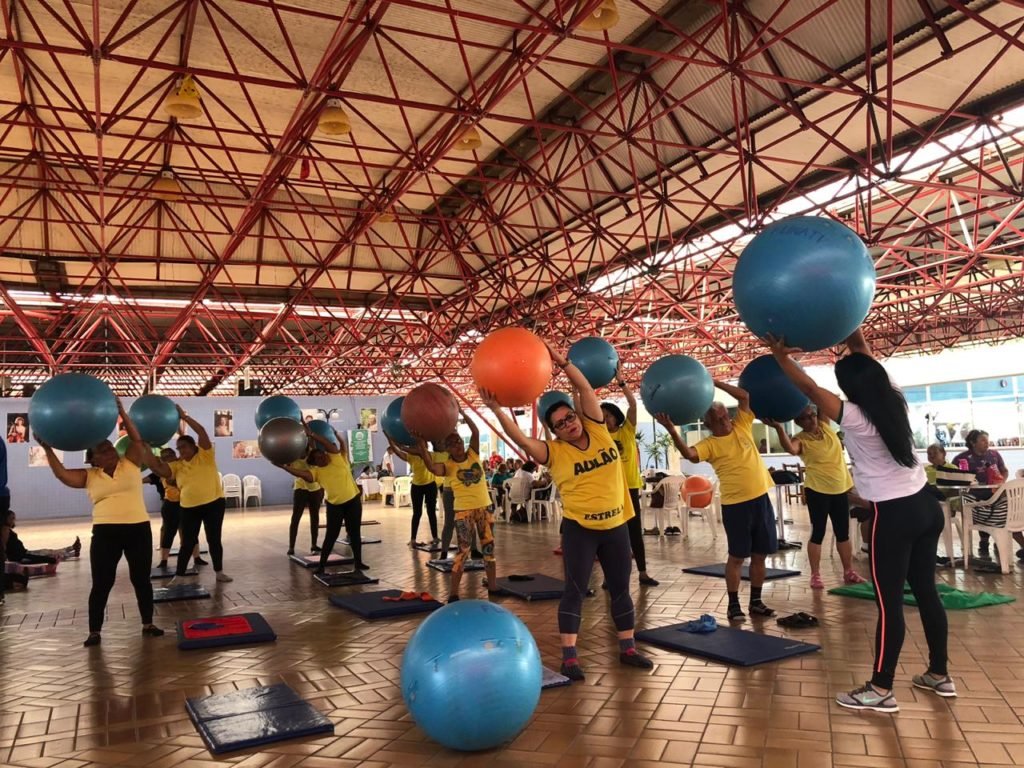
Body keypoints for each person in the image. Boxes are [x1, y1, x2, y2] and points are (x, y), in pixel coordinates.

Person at [767, 329, 952, 711]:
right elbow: (862, 350)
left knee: (889, 604)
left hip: (895, 515)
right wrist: (849, 323)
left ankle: (881, 689)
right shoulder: (893, 396)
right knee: (926, 593)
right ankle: (939, 674)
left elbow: (810, 389)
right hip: (925, 507)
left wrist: (781, 356)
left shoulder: (854, 415)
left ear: (849, 388)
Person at [481, 340, 653, 681]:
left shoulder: (598, 428)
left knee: (621, 588)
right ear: (554, 431)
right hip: (580, 531)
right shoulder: (554, 452)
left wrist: (561, 361)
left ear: (577, 415)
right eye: (559, 424)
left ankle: (628, 649)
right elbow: (520, 439)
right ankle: (569, 658)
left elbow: (585, 388)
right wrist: (497, 410)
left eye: (569, 417)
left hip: (616, 525)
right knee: (574, 590)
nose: (568, 424)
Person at [36, 398, 166, 646]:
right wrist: (47, 449)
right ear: (94, 460)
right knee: (102, 583)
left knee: (141, 579)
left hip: (138, 529)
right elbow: (62, 474)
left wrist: (122, 413)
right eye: (103, 450)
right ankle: (94, 631)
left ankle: (148, 623)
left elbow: (137, 441)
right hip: (106, 534)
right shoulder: (89, 476)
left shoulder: (130, 463)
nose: (110, 451)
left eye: (110, 447)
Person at [657, 384, 778, 623]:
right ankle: (733, 605)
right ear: (709, 424)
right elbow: (689, 454)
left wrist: (713, 382)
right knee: (737, 557)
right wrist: (671, 430)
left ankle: (756, 602)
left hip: (761, 500)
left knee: (760, 555)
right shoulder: (710, 444)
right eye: (719, 418)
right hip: (736, 506)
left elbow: (744, 396)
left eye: (725, 415)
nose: (725, 420)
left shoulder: (742, 425)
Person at [767, 405, 864, 589]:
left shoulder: (825, 426)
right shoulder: (800, 439)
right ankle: (815, 575)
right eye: (806, 417)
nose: (812, 419)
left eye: (813, 415)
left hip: (840, 488)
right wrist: (779, 428)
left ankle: (848, 571)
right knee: (818, 533)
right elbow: (791, 449)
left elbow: (822, 402)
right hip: (817, 491)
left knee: (843, 533)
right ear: (798, 422)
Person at [412, 411, 495, 602]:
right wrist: (422, 446)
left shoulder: (473, 453)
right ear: (447, 449)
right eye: (452, 443)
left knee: (488, 549)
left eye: (458, 441)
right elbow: (432, 467)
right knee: (463, 552)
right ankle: (453, 593)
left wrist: (461, 411)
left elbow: (475, 431)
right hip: (463, 512)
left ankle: (493, 586)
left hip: (485, 508)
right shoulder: (447, 465)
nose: (457, 445)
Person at [276, 426, 366, 574]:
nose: (323, 457)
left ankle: (358, 563)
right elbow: (301, 474)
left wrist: (312, 434)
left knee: (355, 533)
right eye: (318, 457)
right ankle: (321, 566)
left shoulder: (336, 458)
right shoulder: (316, 472)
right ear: (315, 463)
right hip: (334, 506)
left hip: (353, 502)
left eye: (322, 454)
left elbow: (327, 444)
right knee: (331, 535)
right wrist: (284, 467)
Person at [602, 377, 658, 587]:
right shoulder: (599, 436)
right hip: (611, 490)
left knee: (635, 533)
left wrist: (622, 383)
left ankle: (643, 573)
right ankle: (608, 577)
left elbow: (633, 405)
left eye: (608, 416)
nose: (605, 420)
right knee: (611, 535)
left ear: (616, 417)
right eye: (602, 417)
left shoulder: (627, 430)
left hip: (631, 488)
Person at [168, 406, 232, 585]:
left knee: (214, 539)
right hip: (189, 508)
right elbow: (162, 471)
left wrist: (185, 417)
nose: (181, 451)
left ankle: (219, 572)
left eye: (184, 447)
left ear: (193, 446)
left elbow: (202, 431)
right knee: (187, 542)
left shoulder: (205, 455)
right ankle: (179, 575)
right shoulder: (178, 465)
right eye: (179, 448)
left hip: (214, 504)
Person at [953, 429, 1010, 558]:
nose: (987, 443)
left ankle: (997, 540)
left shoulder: (994, 455)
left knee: (1003, 507)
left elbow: (1004, 470)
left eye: (987, 440)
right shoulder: (961, 459)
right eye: (983, 440)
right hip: (973, 495)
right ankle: (984, 542)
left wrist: (1001, 481)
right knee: (981, 508)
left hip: (994, 492)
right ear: (973, 443)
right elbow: (954, 477)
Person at [385, 436, 440, 548]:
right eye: (419, 444)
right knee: (417, 513)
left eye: (423, 444)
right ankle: (413, 539)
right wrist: (389, 438)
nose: (421, 446)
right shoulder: (411, 457)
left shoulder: (432, 455)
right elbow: (397, 451)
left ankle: (435, 537)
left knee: (431, 512)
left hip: (430, 486)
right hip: (416, 487)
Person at [287, 452, 322, 556]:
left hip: (314, 489)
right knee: (296, 518)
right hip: (300, 489)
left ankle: (314, 545)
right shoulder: (293, 456)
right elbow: (288, 467)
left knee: (314, 517)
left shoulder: (312, 453)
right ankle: (291, 547)